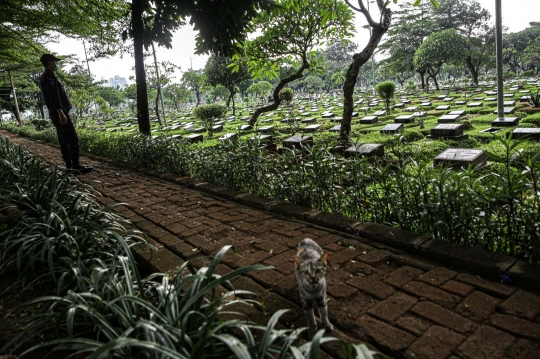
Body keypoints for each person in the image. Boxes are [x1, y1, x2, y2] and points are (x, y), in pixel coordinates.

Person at [40, 53, 92, 173]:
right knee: (72, 138)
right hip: (59, 112)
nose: (56, 64)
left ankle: (69, 165)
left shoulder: (48, 76)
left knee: (63, 139)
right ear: (49, 62)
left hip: (57, 111)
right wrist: (61, 112)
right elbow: (54, 95)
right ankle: (75, 165)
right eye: (54, 61)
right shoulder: (49, 76)